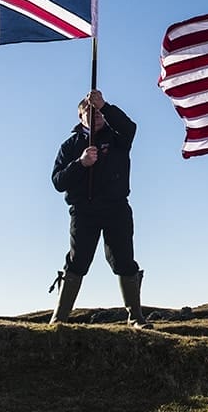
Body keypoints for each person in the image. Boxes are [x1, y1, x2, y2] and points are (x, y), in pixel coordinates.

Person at [49, 89, 144, 326]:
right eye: (90, 112)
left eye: (99, 112)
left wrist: (105, 106)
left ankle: (136, 317)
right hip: (84, 211)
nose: (97, 116)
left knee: (124, 260)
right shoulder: (70, 146)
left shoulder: (118, 137)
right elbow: (58, 181)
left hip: (116, 208)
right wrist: (80, 164)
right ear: (80, 117)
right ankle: (59, 319)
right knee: (77, 261)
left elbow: (130, 128)